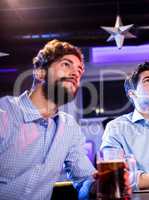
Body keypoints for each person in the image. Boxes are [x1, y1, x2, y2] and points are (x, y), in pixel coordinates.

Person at [0, 40, 95, 200]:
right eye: (66, 64)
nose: (75, 74)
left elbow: (85, 179)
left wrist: (97, 185)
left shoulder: (70, 127)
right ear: (40, 72)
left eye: (79, 71)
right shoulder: (4, 113)